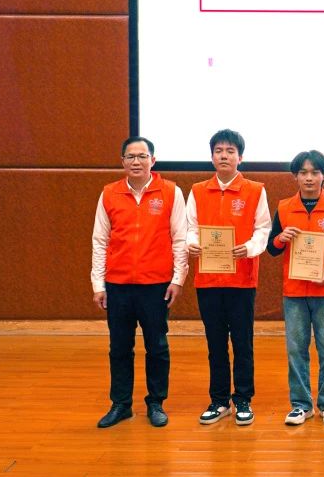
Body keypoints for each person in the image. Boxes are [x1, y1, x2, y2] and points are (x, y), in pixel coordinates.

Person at [91, 136, 187, 429]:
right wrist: (98, 284)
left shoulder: (170, 192)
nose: (136, 161)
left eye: (142, 156)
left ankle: (156, 403)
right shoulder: (109, 194)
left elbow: (180, 239)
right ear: (122, 161)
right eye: (130, 156)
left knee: (157, 346)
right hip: (118, 285)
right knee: (119, 347)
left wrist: (178, 278)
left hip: (156, 285)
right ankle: (121, 404)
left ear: (152, 161)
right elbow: (100, 240)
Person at [186, 128, 272, 427]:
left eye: (230, 151)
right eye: (219, 151)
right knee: (215, 343)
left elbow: (263, 229)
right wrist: (191, 243)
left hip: (241, 280)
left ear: (240, 157)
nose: (224, 156)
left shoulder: (255, 190)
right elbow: (190, 227)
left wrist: (248, 248)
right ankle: (219, 400)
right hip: (208, 280)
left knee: (243, 342)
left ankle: (243, 399)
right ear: (212, 157)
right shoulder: (197, 190)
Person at [266, 150, 324, 426]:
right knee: (296, 350)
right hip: (294, 293)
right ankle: (300, 405)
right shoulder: (284, 208)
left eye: (315, 172)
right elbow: (271, 248)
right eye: (303, 172)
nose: (309, 178)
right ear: (295, 176)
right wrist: (281, 238)